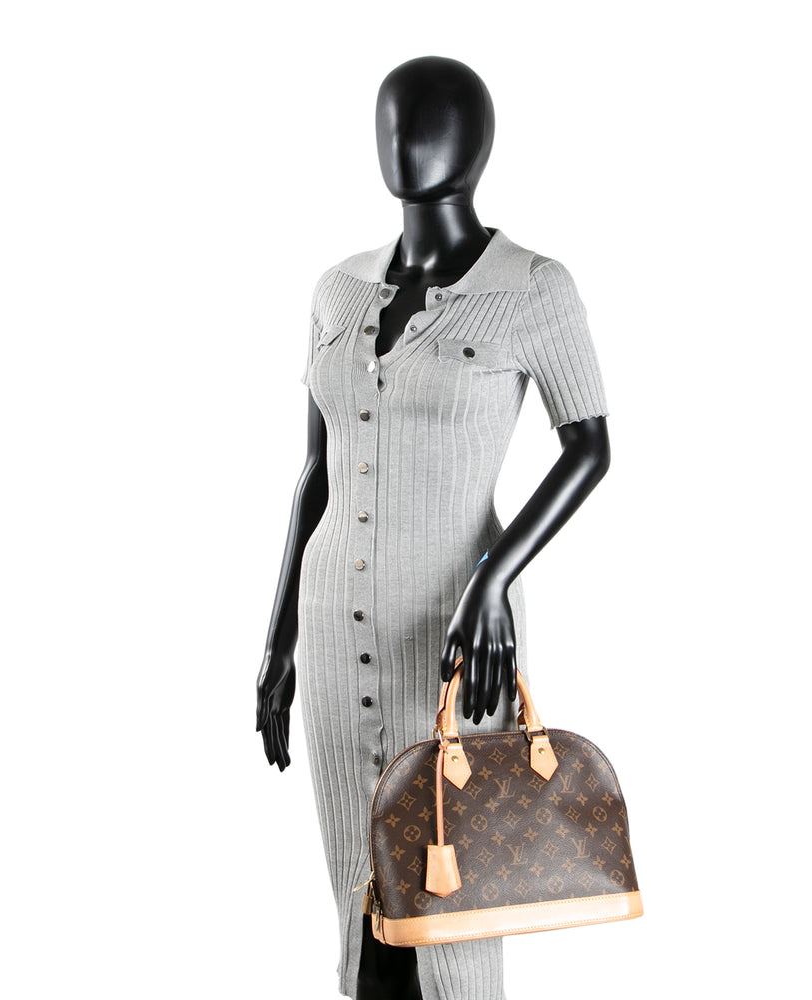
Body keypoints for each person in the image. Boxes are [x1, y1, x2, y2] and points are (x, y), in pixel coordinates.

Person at [256, 55, 611, 1000]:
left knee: (454, 907)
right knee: (358, 888)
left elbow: (589, 447)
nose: (405, 143)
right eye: (392, 123)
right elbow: (315, 472)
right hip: (333, 639)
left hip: (455, 637)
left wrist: (494, 576)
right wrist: (279, 642)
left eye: (428, 123)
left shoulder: (534, 288)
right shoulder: (337, 292)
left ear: (476, 144)